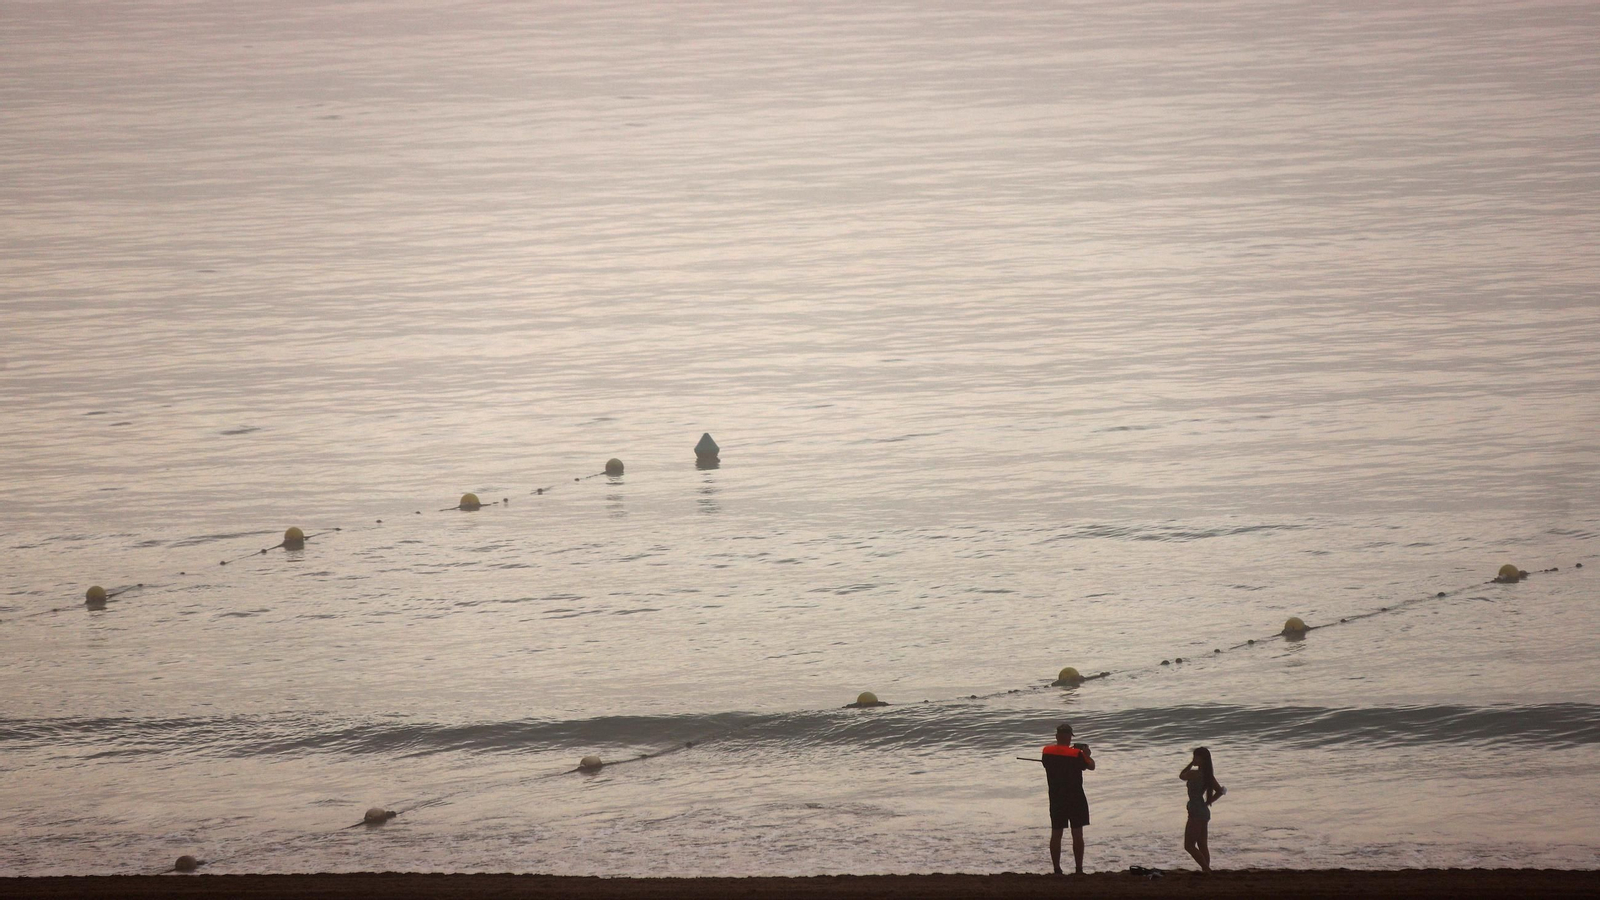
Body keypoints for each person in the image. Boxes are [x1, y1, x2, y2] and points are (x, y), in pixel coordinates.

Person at [1040, 722, 1095, 874]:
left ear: (1057, 736)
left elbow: (1050, 762)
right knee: (1077, 833)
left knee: (1056, 833)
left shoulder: (1047, 752)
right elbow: (1091, 766)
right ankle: (1078, 869)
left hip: (1056, 797)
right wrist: (1086, 754)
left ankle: (1057, 869)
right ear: (1070, 738)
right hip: (1075, 796)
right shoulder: (1077, 754)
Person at [1179, 746, 1226, 872]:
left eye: (1196, 757)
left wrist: (1190, 764)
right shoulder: (1208, 775)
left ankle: (1206, 869)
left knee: (1189, 845)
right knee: (1202, 844)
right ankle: (1207, 870)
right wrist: (1208, 802)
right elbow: (1220, 791)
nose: (1194, 759)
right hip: (1203, 811)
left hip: (1196, 811)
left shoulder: (1194, 773)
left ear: (1202, 759)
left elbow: (1181, 776)